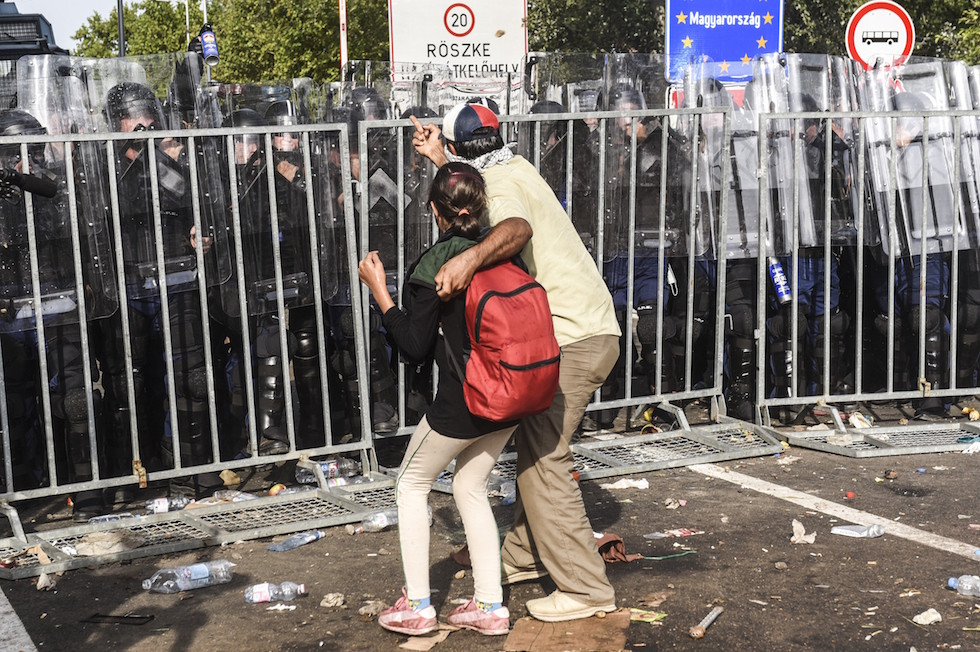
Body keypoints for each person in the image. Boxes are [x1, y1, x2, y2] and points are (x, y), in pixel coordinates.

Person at [411, 102, 621, 621]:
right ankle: (524, 555)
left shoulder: (501, 188)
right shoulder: (514, 165)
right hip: (584, 329)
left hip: (571, 337)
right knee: (533, 452)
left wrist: (468, 258)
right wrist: (440, 158)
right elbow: (470, 188)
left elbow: (516, 227)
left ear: (460, 150)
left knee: (546, 462)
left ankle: (585, 590)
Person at [360, 162, 515, 637]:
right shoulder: (504, 250)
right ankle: (490, 606)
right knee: (469, 487)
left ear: (433, 210)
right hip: (512, 393)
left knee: (409, 484)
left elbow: (414, 345)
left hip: (464, 398)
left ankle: (418, 606)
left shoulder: (436, 264)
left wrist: (381, 294)